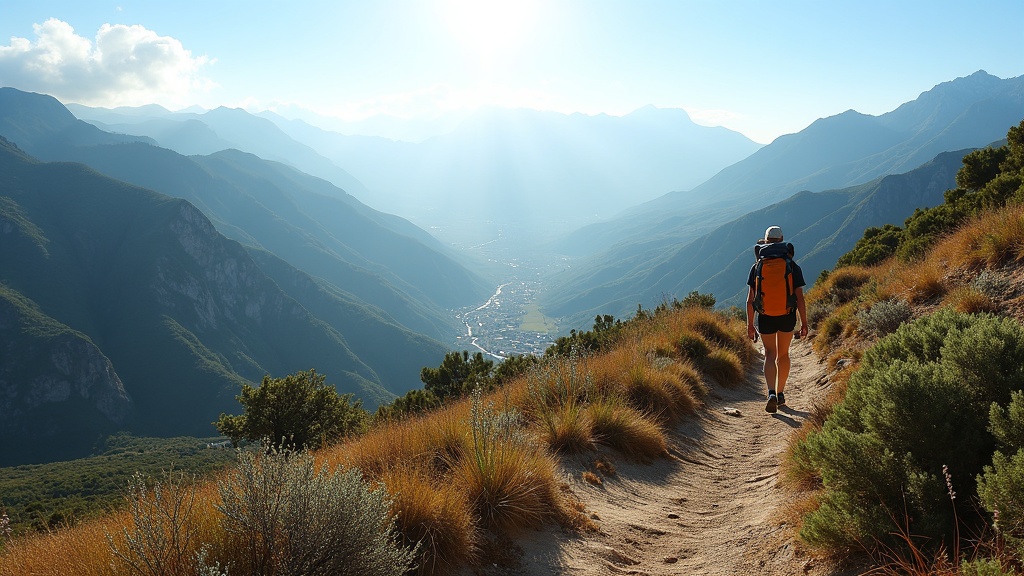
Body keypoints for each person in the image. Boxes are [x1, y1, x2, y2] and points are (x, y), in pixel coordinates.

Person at [746, 225, 808, 413]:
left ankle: (771, 392)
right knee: (783, 354)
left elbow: (750, 300)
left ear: (765, 241)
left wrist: (750, 324)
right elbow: (800, 298)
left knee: (770, 354)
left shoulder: (757, 266)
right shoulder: (792, 265)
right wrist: (804, 323)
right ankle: (781, 394)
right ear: (782, 240)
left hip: (765, 317)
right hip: (786, 316)